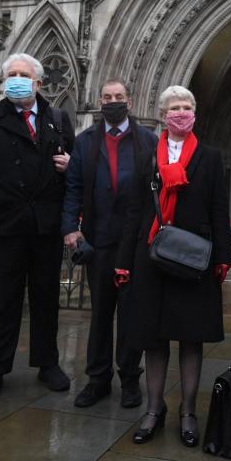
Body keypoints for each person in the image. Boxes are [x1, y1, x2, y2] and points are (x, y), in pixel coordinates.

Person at [114, 85, 231, 447]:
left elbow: (218, 209)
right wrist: (123, 262)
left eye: (187, 107)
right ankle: (154, 409)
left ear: (194, 112)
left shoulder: (210, 157)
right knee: (154, 337)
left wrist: (224, 257)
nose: (181, 113)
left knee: (191, 337)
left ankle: (188, 412)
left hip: (194, 256)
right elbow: (135, 211)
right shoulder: (148, 155)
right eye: (174, 108)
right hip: (151, 256)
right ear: (163, 114)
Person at [0, 52, 75, 402]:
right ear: (3, 81)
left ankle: (47, 363)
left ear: (38, 83)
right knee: (4, 300)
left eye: (24, 75)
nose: (18, 80)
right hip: (6, 223)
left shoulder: (57, 118)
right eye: (12, 75)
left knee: (46, 298)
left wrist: (71, 165)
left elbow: (75, 166)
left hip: (45, 225)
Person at [62, 79, 156, 409]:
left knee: (131, 314)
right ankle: (97, 379)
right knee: (100, 313)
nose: (112, 101)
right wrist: (70, 229)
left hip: (133, 243)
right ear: (99, 101)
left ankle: (130, 379)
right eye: (107, 97)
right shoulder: (85, 141)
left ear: (129, 101)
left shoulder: (148, 140)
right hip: (98, 240)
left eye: (118, 97)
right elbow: (73, 187)